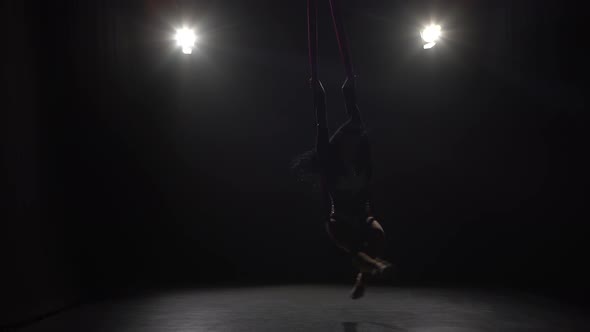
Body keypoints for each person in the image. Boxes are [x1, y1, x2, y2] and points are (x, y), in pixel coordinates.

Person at [305, 0, 392, 299]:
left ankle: (364, 276)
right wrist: (318, 88)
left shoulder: (360, 153)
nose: (354, 140)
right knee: (350, 243)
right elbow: (323, 120)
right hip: (340, 222)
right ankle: (369, 267)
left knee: (378, 235)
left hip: (362, 218)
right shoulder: (331, 159)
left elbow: (351, 109)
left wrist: (348, 83)